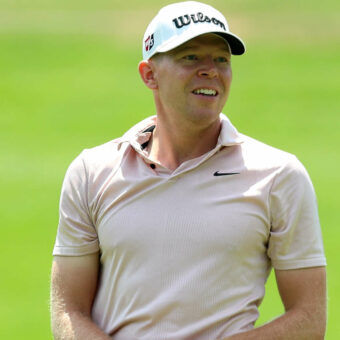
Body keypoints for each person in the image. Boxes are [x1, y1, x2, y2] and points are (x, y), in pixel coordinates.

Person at [50, 1, 327, 339]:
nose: (211, 70)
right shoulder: (92, 172)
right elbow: (68, 311)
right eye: (191, 57)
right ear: (149, 75)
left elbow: (310, 319)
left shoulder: (279, 176)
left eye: (221, 59)